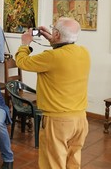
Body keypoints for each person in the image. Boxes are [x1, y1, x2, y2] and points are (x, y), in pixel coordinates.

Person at [15, 17, 90, 169]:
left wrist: (25, 44)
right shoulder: (84, 52)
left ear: (57, 34)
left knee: (53, 164)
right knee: (73, 163)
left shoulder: (51, 57)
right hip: (80, 120)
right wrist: (52, 39)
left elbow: (21, 62)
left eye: (53, 29)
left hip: (58, 122)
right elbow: (64, 50)